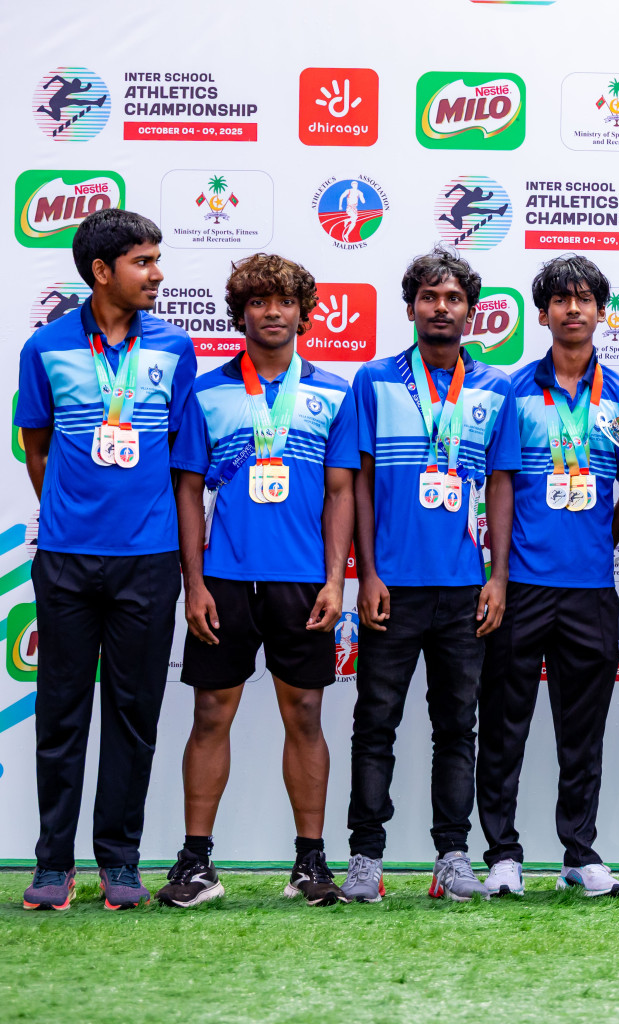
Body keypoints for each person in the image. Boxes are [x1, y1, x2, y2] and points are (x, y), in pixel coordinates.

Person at [157, 253, 357, 908]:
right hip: (226, 579)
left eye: (285, 301)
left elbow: (340, 493)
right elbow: (188, 492)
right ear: (240, 313)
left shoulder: (334, 390)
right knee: (211, 713)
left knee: (305, 713)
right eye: (259, 301)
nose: (273, 312)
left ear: (304, 311)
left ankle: (310, 862)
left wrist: (335, 581)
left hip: (302, 582)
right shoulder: (207, 391)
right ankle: (195, 862)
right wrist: (196, 585)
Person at [18, 209, 196, 910]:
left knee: (133, 712)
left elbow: (184, 463)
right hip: (64, 559)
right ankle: (52, 864)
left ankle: (119, 861)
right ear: (101, 272)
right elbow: (36, 445)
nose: (157, 274)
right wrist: (72, 510)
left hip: (148, 563)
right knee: (62, 712)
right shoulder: (46, 349)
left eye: (156, 260)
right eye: (144, 262)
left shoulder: (176, 348)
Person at [340, 247, 517, 903]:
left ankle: (452, 856)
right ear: (411, 306)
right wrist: (368, 572)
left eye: (453, 299)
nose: (441, 308)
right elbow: (357, 482)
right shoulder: (375, 380)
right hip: (393, 586)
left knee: (456, 727)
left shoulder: (495, 388)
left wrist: (496, 578)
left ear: (471, 312)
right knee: (375, 723)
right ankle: (365, 857)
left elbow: (500, 486)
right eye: (429, 297)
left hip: (465, 588)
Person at [477, 256, 619, 898]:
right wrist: (500, 572)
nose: (573, 310)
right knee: (505, 722)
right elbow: (500, 488)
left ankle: (579, 850)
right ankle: (503, 853)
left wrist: (615, 523)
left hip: (591, 588)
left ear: (602, 312)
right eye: (560, 300)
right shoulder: (513, 391)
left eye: (585, 300)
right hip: (520, 587)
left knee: (583, 728)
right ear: (542, 312)